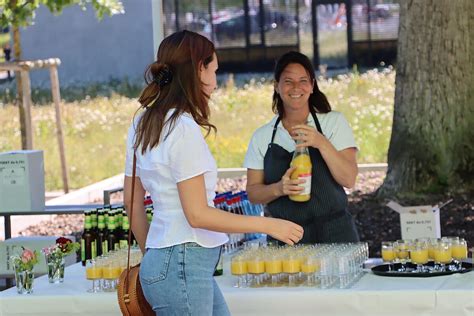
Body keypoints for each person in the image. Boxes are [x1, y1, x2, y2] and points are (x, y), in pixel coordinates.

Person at [123, 31, 303, 316]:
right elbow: (198, 214)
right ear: (198, 69)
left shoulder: (143, 122)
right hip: (183, 262)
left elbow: (132, 203)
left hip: (168, 260)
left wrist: (155, 256)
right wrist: (269, 225)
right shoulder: (182, 128)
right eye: (214, 71)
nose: (216, 84)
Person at [244, 51, 359, 244]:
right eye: (288, 81)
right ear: (276, 87)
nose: (296, 87)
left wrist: (321, 142)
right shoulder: (262, 137)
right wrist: (279, 189)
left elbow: (349, 179)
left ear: (312, 86)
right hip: (286, 239)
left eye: (303, 80)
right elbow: (254, 193)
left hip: (337, 236)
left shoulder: (333, 123)